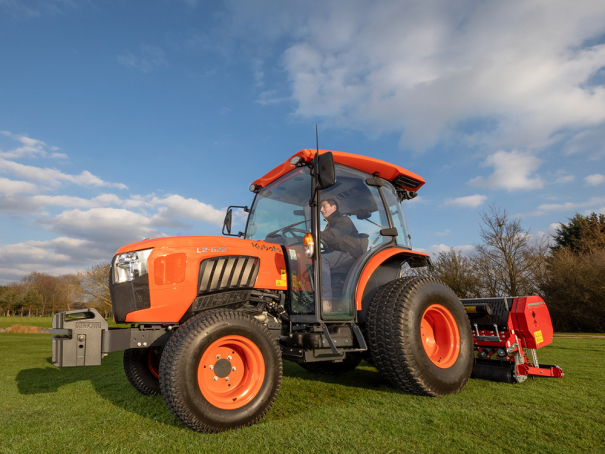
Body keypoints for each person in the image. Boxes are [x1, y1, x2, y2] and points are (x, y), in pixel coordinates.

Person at [319, 198, 363, 313]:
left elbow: (334, 236)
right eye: (320, 207)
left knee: (322, 260)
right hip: (338, 254)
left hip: (350, 255)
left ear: (334, 207)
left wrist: (314, 233)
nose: (321, 209)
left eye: (324, 206)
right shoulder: (329, 225)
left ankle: (325, 301)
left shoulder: (344, 221)